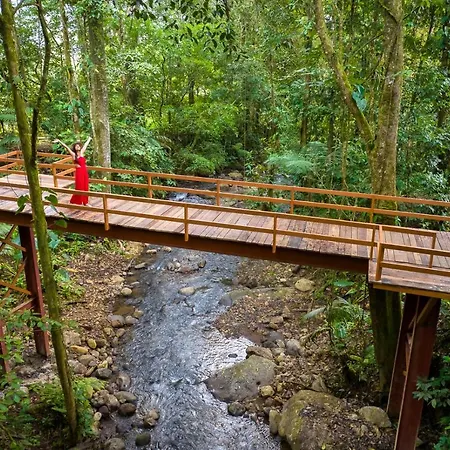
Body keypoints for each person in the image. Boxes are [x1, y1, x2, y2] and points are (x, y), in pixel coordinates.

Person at [54, 137, 92, 205]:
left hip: (84, 171)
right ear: (74, 148)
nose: (77, 147)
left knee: (85, 186)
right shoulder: (73, 155)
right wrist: (59, 141)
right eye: (76, 146)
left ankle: (85, 202)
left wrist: (89, 139)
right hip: (79, 171)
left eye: (78, 146)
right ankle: (76, 201)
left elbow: (86, 145)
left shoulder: (82, 152)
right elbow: (66, 147)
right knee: (79, 186)